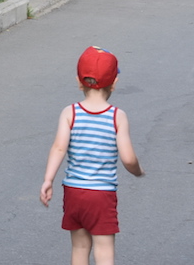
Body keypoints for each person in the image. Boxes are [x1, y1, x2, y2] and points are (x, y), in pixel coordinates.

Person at [40, 46, 144, 265]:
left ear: (79, 82)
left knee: (79, 247)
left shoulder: (70, 113)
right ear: (114, 83)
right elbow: (128, 159)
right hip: (101, 195)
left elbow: (58, 148)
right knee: (104, 250)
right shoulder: (117, 117)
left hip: (74, 192)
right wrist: (138, 171)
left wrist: (48, 179)